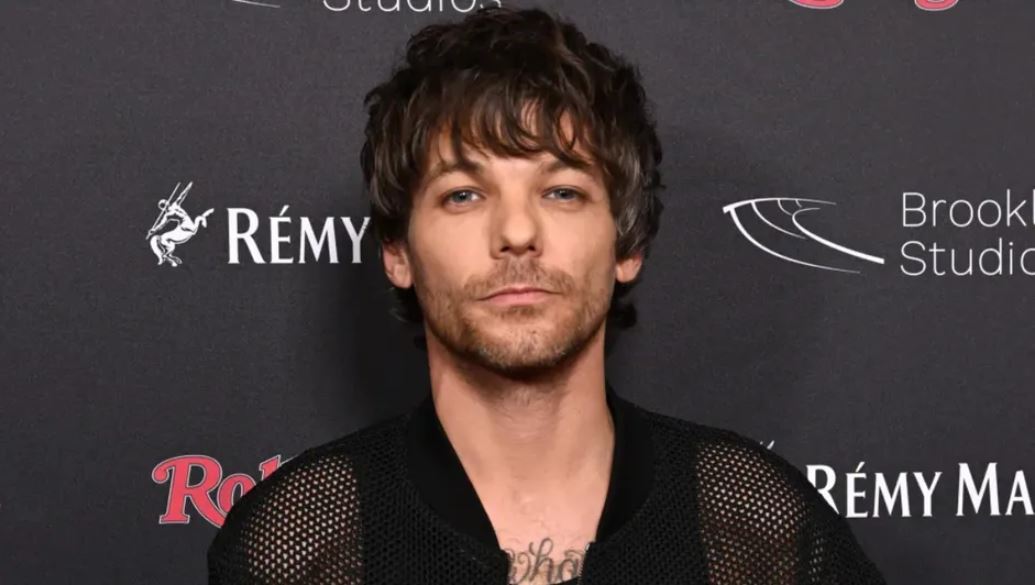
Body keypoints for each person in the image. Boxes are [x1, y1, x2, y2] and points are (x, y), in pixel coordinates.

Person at [207, 5, 886, 584]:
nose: (516, 232)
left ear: (626, 245)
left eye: (561, 191)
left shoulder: (758, 527)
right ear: (398, 253)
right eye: (463, 194)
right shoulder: (299, 545)